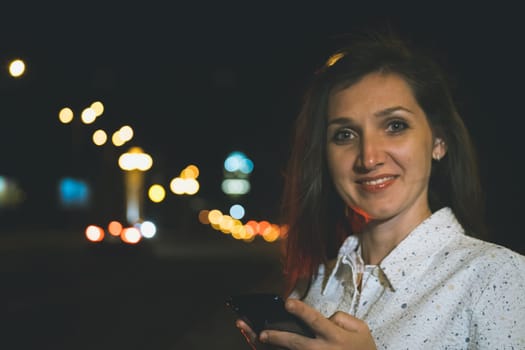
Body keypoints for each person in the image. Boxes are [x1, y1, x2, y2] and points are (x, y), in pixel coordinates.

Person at [235, 30, 525, 349]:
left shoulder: (496, 277)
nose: (369, 157)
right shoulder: (314, 283)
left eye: (395, 126)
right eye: (345, 135)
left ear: (438, 141)